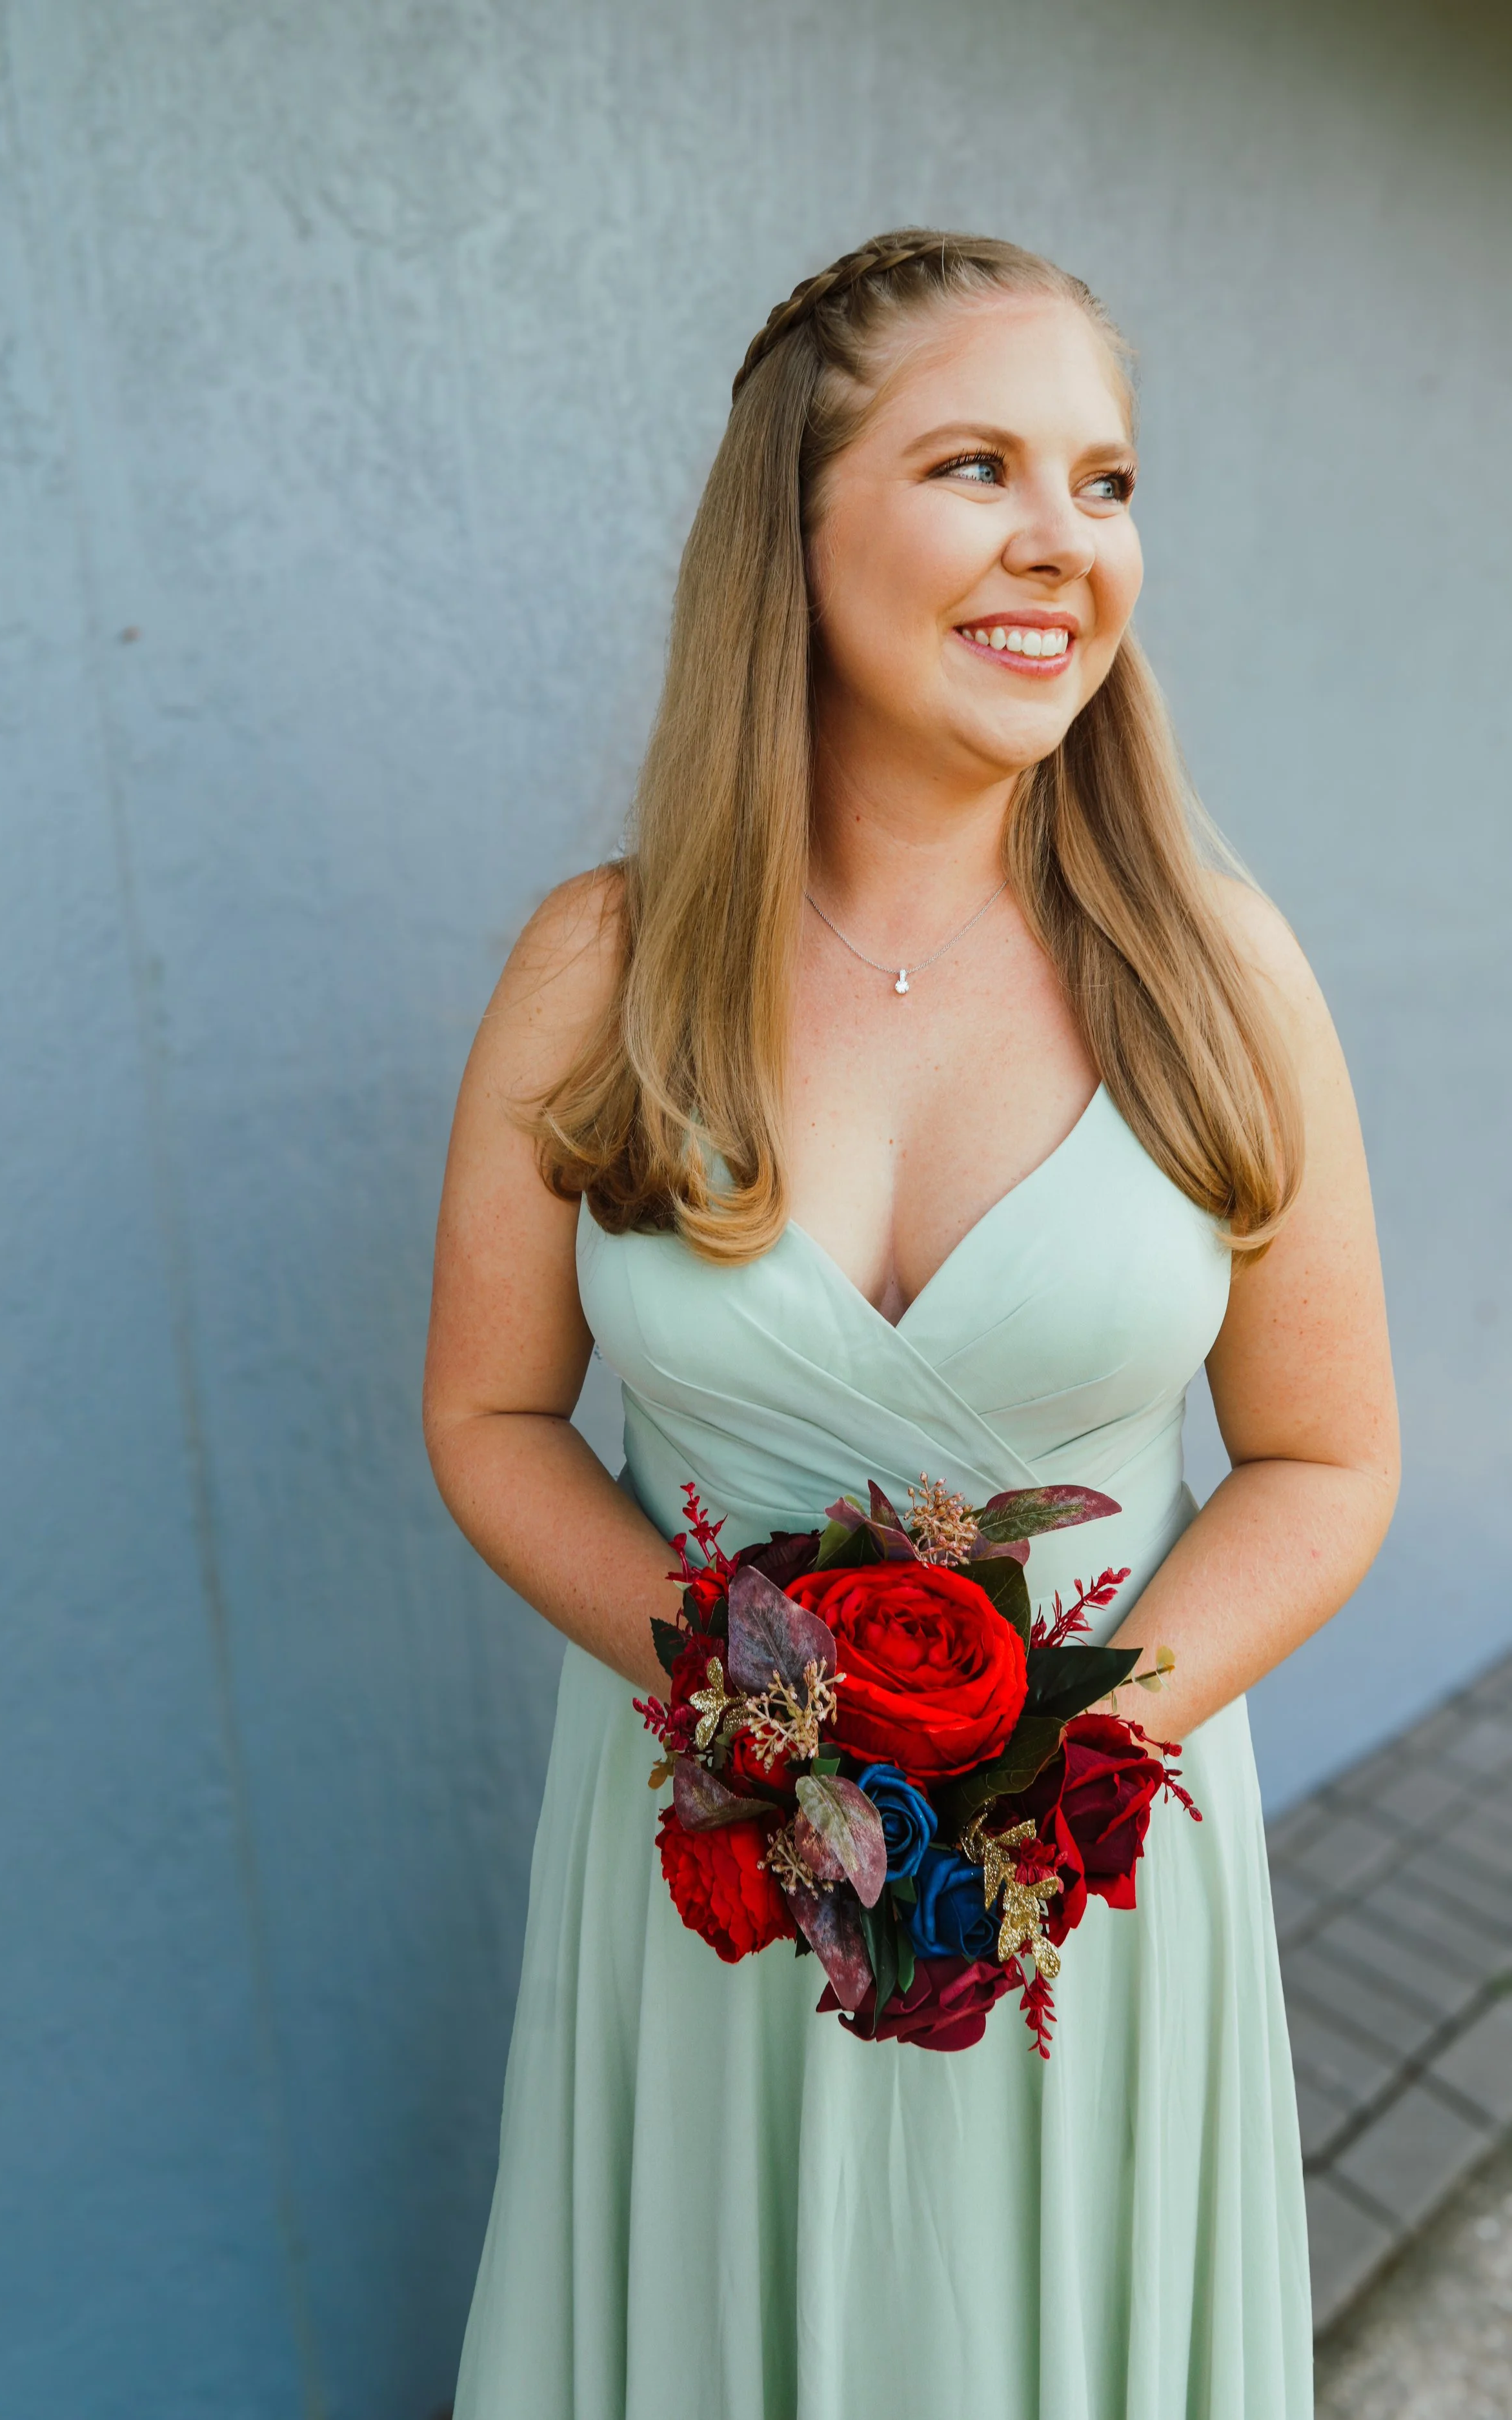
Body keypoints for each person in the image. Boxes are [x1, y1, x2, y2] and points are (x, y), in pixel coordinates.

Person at [423, 230, 1399, 2419]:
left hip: (1097, 1905)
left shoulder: (1219, 976)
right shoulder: (601, 963)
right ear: (795, 522)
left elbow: (1329, 1461)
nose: (1064, 538)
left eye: (1108, 481)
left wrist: (1055, 1744)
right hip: (708, 1888)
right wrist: (754, 1708)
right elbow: (490, 1415)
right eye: (978, 464)